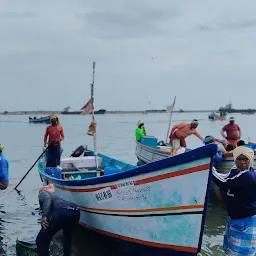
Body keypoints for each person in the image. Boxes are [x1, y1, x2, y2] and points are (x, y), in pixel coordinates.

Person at [212, 146, 256, 255]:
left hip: (245, 221)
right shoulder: (235, 170)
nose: (242, 162)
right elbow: (225, 177)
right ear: (235, 159)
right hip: (235, 219)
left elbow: (224, 183)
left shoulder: (248, 175)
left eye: (245, 159)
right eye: (239, 159)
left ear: (250, 160)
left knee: (243, 253)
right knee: (231, 251)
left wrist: (208, 166)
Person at [36, 184, 80, 256]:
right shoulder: (57, 198)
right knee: (67, 237)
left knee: (40, 240)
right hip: (75, 210)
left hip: (61, 211)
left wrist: (44, 216)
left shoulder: (42, 193)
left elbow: (47, 199)